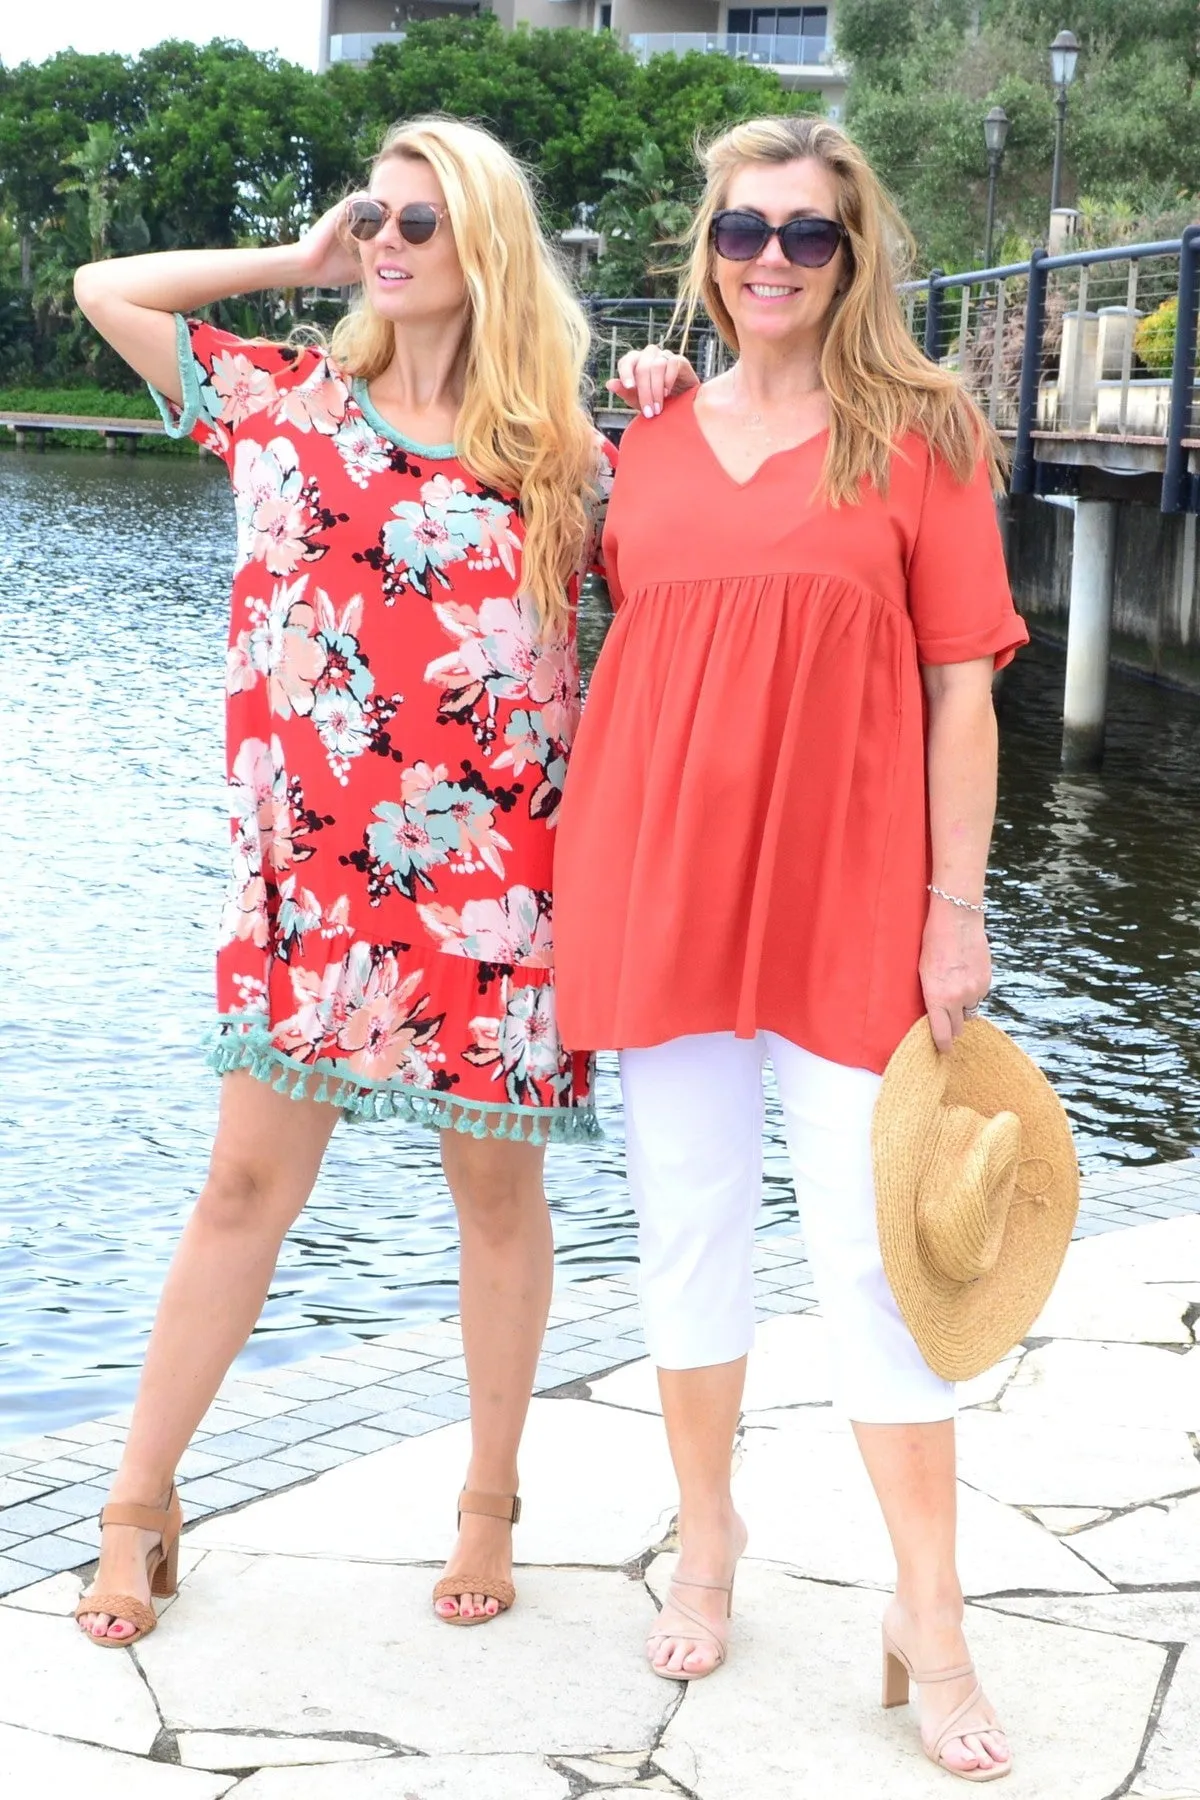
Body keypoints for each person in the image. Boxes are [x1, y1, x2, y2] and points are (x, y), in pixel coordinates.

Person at [72, 116, 610, 1646]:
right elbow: (114, 286)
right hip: (306, 897)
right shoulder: (284, 404)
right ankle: (136, 1504)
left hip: (500, 897)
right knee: (244, 1187)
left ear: (489, 248)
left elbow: (703, 599)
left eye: (421, 223)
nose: (386, 239)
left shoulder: (565, 455)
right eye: (375, 214)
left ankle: (489, 1500)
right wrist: (298, 258)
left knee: (494, 1197)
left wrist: (664, 400)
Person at [555, 114, 1027, 1784]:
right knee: (688, 1239)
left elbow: (962, 682)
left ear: (854, 256)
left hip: (848, 902)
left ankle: (933, 1620)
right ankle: (706, 1544)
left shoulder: (923, 434)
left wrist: (952, 911)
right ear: (708, 250)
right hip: (658, 888)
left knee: (877, 1268)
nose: (771, 259)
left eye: (808, 237)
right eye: (745, 231)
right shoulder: (652, 443)